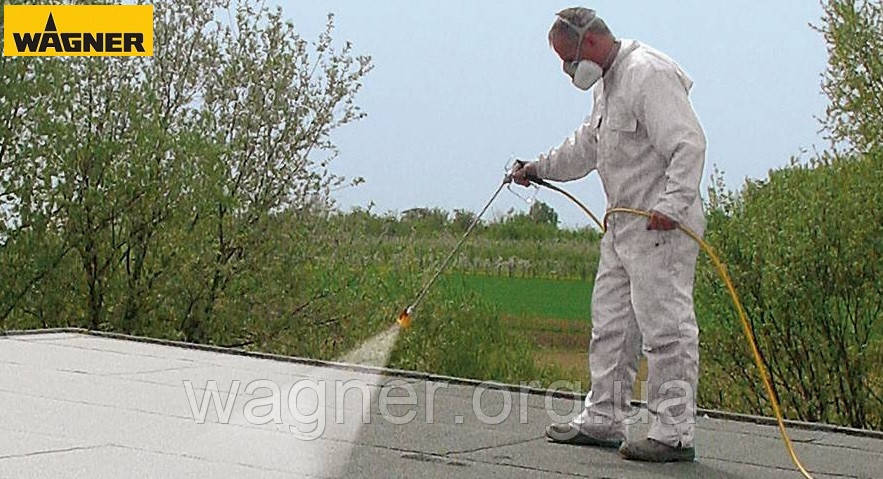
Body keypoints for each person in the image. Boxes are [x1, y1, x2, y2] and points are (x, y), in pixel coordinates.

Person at [512, 7, 706, 463]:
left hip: (660, 227)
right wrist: (538, 169)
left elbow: (688, 144)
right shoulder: (608, 86)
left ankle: (673, 431)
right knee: (612, 324)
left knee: (667, 327)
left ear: (592, 44)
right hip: (622, 226)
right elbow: (586, 147)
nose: (566, 70)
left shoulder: (648, 74)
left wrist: (672, 206)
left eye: (568, 58)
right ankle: (603, 418)